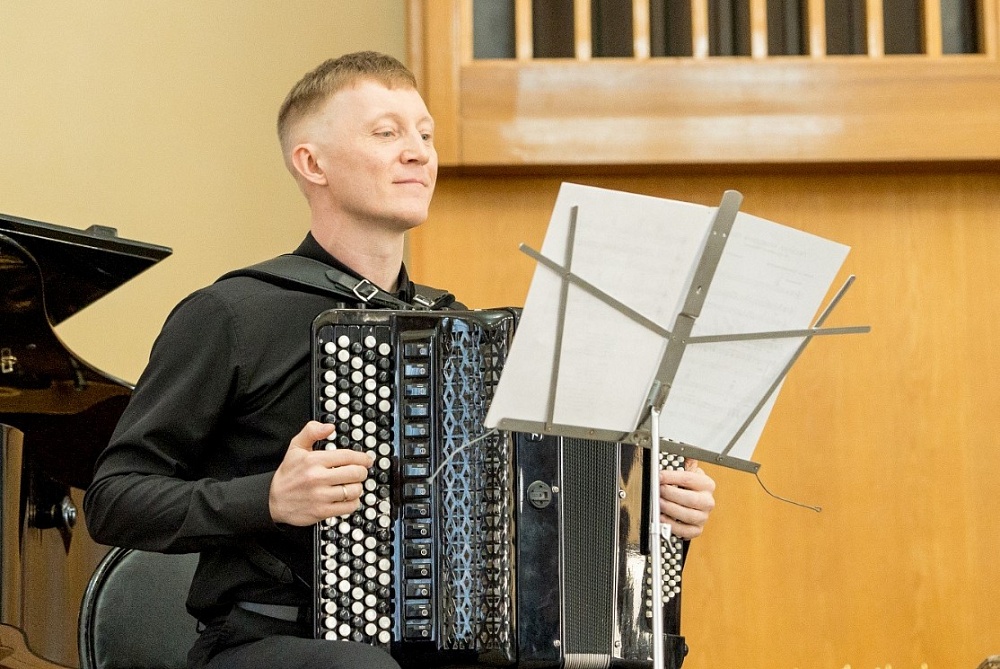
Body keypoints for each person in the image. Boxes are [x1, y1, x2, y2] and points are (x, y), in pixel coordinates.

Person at [83, 51, 717, 669]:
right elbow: (114, 500)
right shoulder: (232, 314)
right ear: (313, 163)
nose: (418, 151)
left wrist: (649, 506)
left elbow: (534, 503)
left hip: (448, 648)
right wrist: (268, 499)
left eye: (426, 134)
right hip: (272, 644)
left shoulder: (463, 335)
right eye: (386, 133)